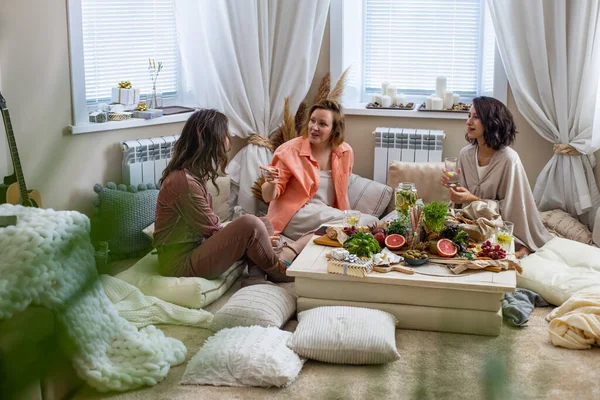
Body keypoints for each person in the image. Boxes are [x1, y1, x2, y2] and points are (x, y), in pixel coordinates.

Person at [153, 109, 291, 284]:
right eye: (226, 134)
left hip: (197, 247)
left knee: (262, 223)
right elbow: (213, 231)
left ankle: (256, 277)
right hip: (179, 264)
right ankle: (277, 269)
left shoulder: (193, 174)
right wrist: (259, 240)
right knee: (251, 224)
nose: (230, 140)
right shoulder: (184, 183)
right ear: (213, 140)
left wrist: (260, 238)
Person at [261, 99, 378, 264]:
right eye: (312, 120)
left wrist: (348, 219)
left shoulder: (345, 152)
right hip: (295, 216)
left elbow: (342, 193)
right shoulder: (289, 151)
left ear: (334, 130)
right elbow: (268, 197)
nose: (314, 127)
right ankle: (293, 249)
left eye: (322, 124)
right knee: (358, 224)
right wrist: (271, 183)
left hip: (325, 216)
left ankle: (297, 247)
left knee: (371, 223)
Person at [441, 96, 553, 257]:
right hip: (472, 222)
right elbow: (460, 205)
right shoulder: (465, 155)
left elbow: (512, 210)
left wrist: (472, 199)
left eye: (476, 117)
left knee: (497, 246)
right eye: (469, 116)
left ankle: (522, 250)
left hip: (498, 225)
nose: (469, 122)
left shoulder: (509, 159)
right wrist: (455, 189)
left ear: (491, 121)